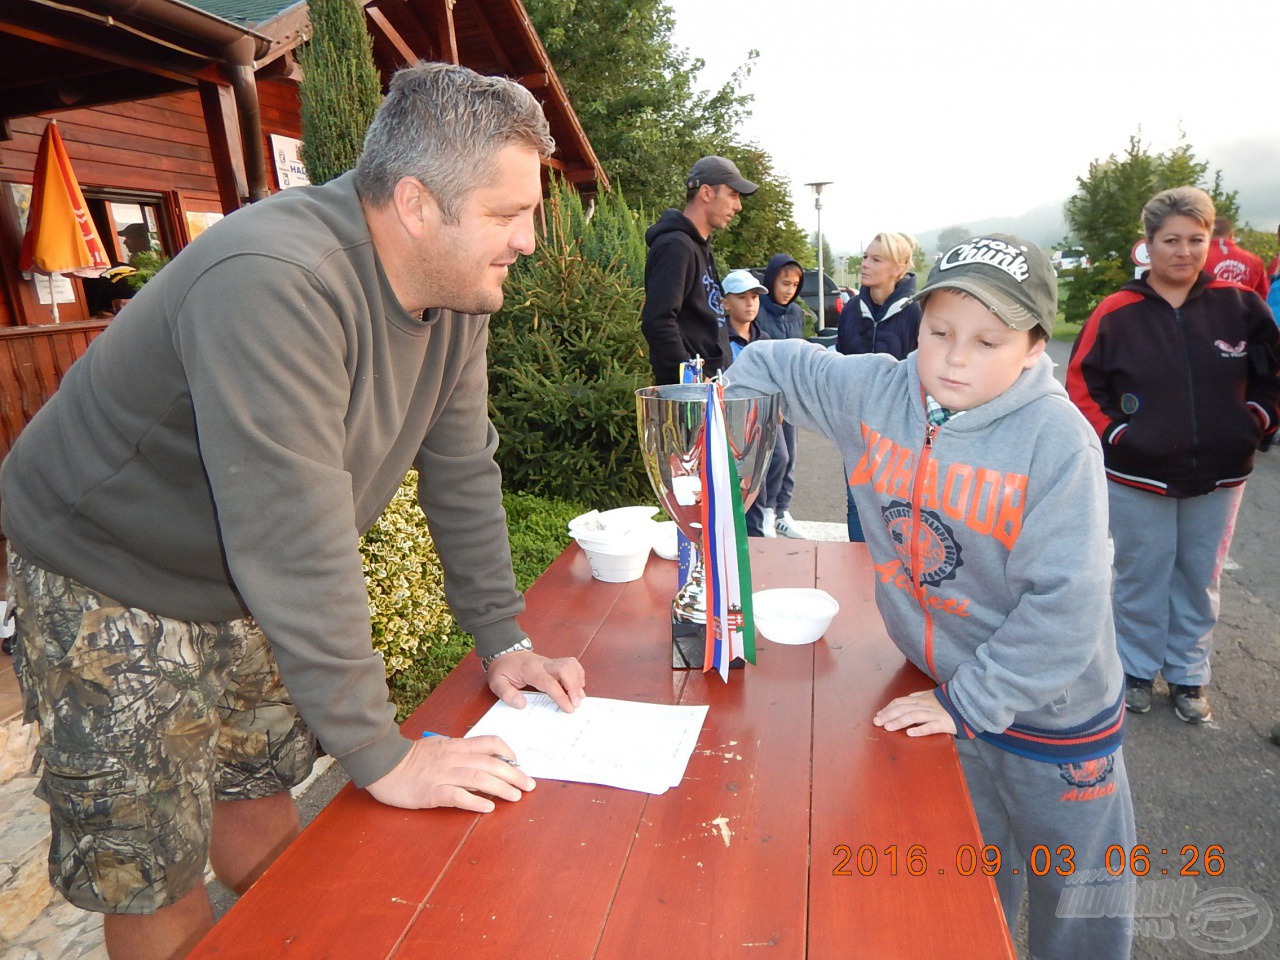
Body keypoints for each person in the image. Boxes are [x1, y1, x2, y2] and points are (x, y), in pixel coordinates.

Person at [1, 62, 586, 960]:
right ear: (419, 204)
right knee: (152, 863)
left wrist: (501, 639)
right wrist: (385, 756)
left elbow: (463, 469)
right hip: (107, 570)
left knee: (256, 785)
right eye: (510, 214)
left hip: (244, 569)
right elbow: (296, 537)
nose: (529, 240)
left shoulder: (458, 293)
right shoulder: (274, 278)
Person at [731, 235, 1135, 960]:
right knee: (967, 890)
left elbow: (1067, 608)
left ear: (1036, 345)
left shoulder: (1057, 441)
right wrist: (740, 438)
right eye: (938, 332)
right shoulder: (878, 390)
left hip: (1056, 723)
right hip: (941, 695)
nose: (953, 358)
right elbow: (765, 360)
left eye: (988, 341)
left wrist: (970, 703)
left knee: (1080, 904)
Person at [1067, 187, 1279, 724]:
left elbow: (1271, 377)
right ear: (1148, 245)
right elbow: (1081, 386)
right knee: (1141, 574)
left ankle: (1188, 674)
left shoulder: (1242, 307)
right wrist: (1118, 436)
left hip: (1222, 476)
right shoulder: (1116, 313)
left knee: (1199, 577)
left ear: (1210, 242)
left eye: (1196, 239)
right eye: (1171, 240)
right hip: (1137, 476)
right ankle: (1136, 669)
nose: (1183, 251)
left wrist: (1253, 422)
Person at [640, 156, 758, 385]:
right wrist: (694, 382)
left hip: (710, 389)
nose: (738, 206)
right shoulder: (676, 246)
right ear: (706, 193)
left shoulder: (698, 246)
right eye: (733, 195)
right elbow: (658, 321)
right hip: (689, 398)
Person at [835, 232, 922, 541]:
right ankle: (860, 577)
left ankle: (899, 580)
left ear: (899, 268)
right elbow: (840, 367)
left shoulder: (916, 312)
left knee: (901, 506)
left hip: (901, 430)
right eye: (865, 257)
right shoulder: (850, 310)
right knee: (857, 503)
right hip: (856, 426)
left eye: (876, 259)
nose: (865, 265)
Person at [753, 254, 806, 538]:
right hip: (767, 397)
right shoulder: (758, 309)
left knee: (791, 456)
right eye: (784, 283)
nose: (789, 290)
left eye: (795, 285)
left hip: (791, 395)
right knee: (775, 457)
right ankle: (768, 511)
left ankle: (783, 510)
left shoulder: (796, 312)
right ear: (771, 280)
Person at [1203, 215, 1270, 298]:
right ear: (1231, 234)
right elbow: (1264, 295)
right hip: (1245, 310)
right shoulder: (1255, 260)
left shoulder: (1199, 258)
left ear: (1206, 234)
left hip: (1206, 309)